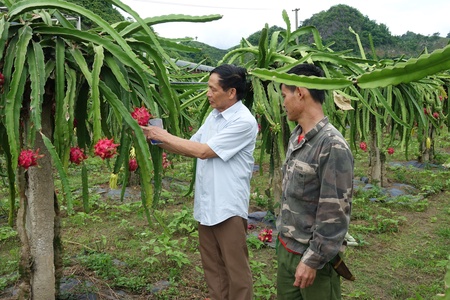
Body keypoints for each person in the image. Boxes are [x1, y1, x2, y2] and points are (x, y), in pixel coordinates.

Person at [141, 64, 258, 300]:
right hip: (207, 206)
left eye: (213, 89)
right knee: (213, 268)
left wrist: (162, 136)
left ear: (231, 92)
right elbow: (190, 146)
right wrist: (151, 135)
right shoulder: (214, 116)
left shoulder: (243, 121)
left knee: (236, 272)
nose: (208, 93)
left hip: (227, 208)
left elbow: (204, 151)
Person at [276, 63, 354, 299]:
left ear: (300, 92)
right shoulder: (297, 135)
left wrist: (313, 260)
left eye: (284, 95)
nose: (283, 103)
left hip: (313, 261)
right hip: (287, 248)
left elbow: (335, 212)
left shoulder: (331, 145)